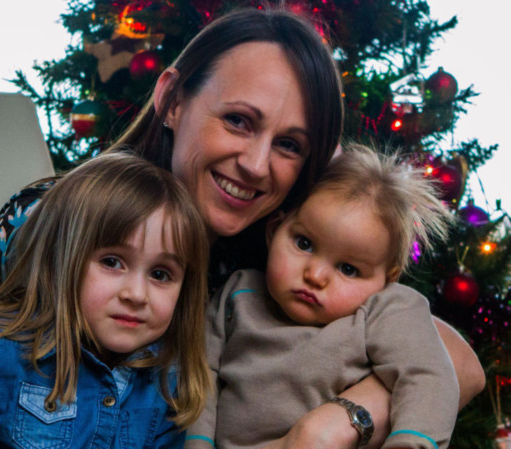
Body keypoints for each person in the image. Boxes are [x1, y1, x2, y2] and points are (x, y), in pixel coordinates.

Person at [0, 7, 484, 449]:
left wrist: (333, 425)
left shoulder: (275, 254)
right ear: (173, 100)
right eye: (240, 121)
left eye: (290, 145)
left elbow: (458, 361)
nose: (256, 163)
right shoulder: (63, 215)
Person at [0, 153, 211, 448]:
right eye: (111, 262)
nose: (136, 294)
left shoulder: (166, 385)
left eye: (161, 274)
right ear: (61, 259)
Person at [186, 146, 459, 449]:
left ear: (387, 279)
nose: (315, 275)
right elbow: (201, 374)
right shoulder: (239, 293)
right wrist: (197, 442)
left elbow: (428, 374)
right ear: (275, 230)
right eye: (304, 243)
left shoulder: (384, 309)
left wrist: (410, 442)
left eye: (348, 269)